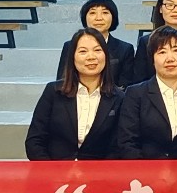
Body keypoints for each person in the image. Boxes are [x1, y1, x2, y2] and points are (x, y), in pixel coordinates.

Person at [26, 27, 123, 160]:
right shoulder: (53, 91)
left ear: (106, 55)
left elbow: (118, 147)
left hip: (98, 171)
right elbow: (35, 141)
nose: (91, 57)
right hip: (55, 169)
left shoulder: (119, 97)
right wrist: (51, 170)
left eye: (97, 50)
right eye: (83, 51)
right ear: (72, 57)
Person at [116, 26, 177, 159]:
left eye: (176, 50)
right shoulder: (135, 94)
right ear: (152, 59)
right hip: (144, 170)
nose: (170, 58)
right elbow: (127, 143)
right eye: (162, 52)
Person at [54, 0, 135, 79]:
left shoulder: (125, 49)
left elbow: (126, 84)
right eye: (92, 13)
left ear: (113, 17)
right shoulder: (70, 46)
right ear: (85, 17)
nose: (98, 18)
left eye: (105, 12)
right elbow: (62, 80)